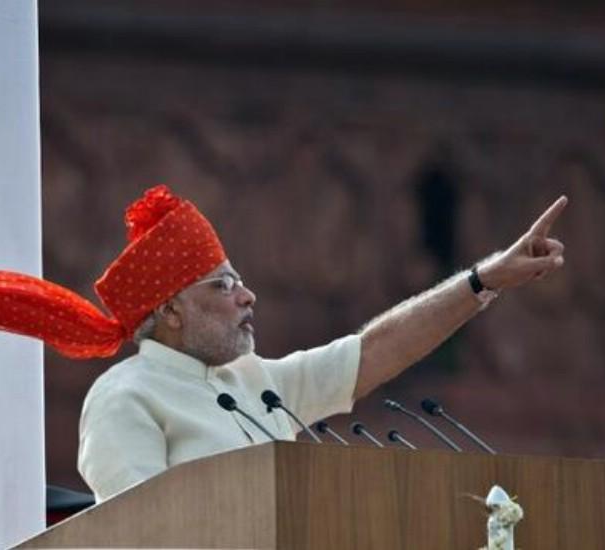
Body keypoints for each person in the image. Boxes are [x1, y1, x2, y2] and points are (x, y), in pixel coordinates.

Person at [78, 186, 567, 501]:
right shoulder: (125, 397)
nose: (247, 296)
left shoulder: (255, 383)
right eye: (223, 285)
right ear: (170, 311)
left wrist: (485, 279)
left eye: (240, 281)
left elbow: (375, 350)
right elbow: (136, 534)